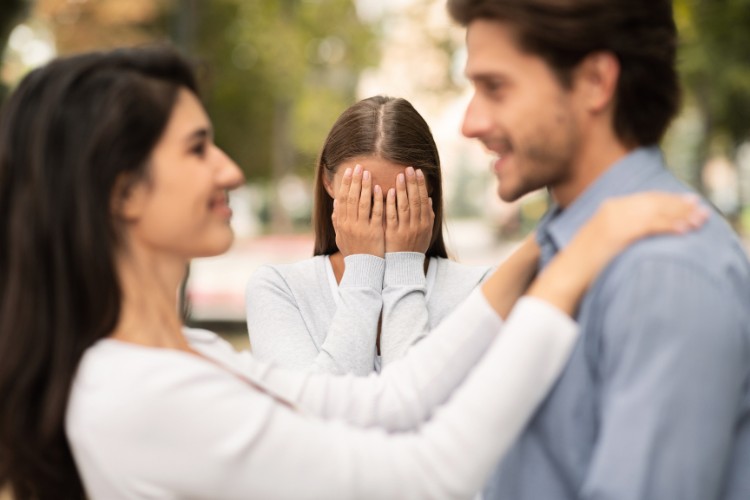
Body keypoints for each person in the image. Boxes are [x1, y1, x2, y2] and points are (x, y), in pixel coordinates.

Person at [0, 46, 706, 500]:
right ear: (123, 193)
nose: (231, 170)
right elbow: (419, 476)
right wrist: (569, 270)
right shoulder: (145, 390)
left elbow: (386, 402)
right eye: (197, 148)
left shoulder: (187, 356)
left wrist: (548, 245)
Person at [447, 1, 750, 499]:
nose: (470, 122)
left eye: (495, 87)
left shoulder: (662, 273)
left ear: (594, 82)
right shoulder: (553, 252)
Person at [246, 95, 492, 375]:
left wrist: (405, 265)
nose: (380, 218)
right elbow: (311, 408)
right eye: (363, 198)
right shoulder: (279, 289)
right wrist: (363, 268)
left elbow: (408, 400)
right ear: (328, 183)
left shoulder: (481, 290)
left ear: (429, 189)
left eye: (399, 199)